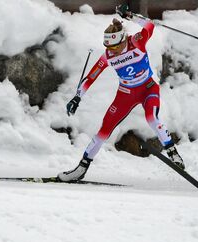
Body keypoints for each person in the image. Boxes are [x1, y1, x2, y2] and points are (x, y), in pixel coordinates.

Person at [57, 5, 184, 182]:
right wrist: (78, 96)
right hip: (126, 94)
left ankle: (173, 153)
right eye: (108, 47)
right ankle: (81, 168)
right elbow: (91, 76)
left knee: (151, 118)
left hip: (147, 88)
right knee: (104, 129)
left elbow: (150, 26)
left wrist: (131, 16)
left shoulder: (137, 41)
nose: (112, 51)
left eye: (115, 47)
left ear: (123, 40)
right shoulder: (108, 55)